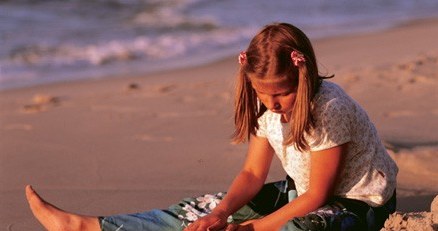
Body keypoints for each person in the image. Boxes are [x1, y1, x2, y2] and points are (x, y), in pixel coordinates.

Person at [25, 22, 398, 231]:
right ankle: (88, 226)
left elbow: (317, 197)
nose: (273, 104)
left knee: (298, 230)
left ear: (303, 75)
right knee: (200, 212)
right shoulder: (264, 103)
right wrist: (220, 214)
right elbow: (253, 172)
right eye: (263, 95)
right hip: (297, 192)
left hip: (354, 205)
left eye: (282, 94)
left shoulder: (331, 108)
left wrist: (250, 229)